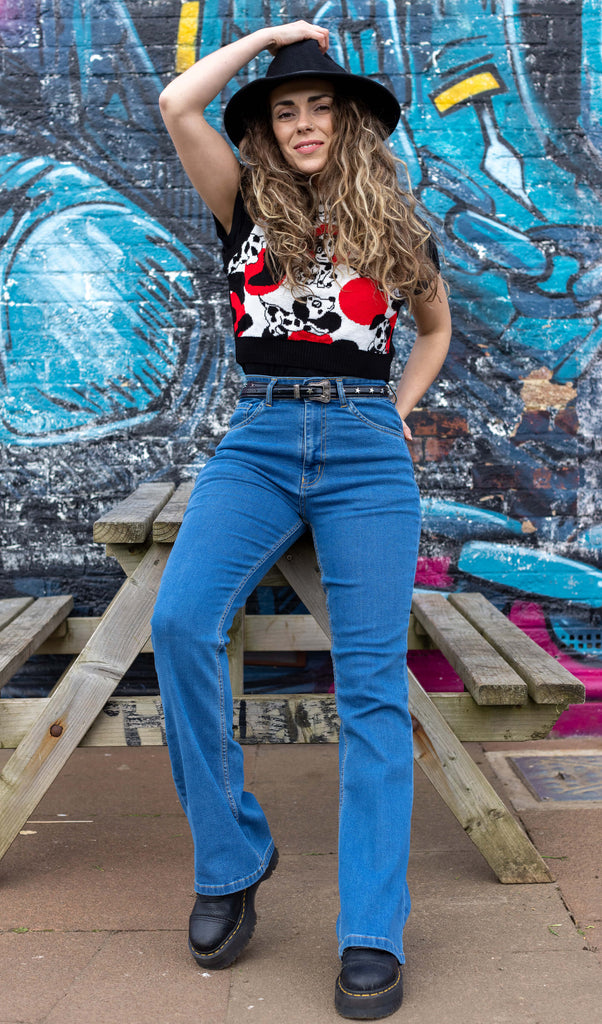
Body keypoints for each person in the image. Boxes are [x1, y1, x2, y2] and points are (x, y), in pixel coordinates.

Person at [152, 20, 451, 1021]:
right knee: (178, 623)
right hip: (259, 442)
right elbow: (176, 104)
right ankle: (232, 855)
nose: (304, 123)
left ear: (350, 120)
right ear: (268, 132)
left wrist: (392, 413)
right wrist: (271, 37)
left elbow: (436, 328)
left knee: (369, 687)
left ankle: (370, 932)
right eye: (286, 111)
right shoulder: (240, 204)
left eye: (319, 105)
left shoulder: (395, 224)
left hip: (364, 450)